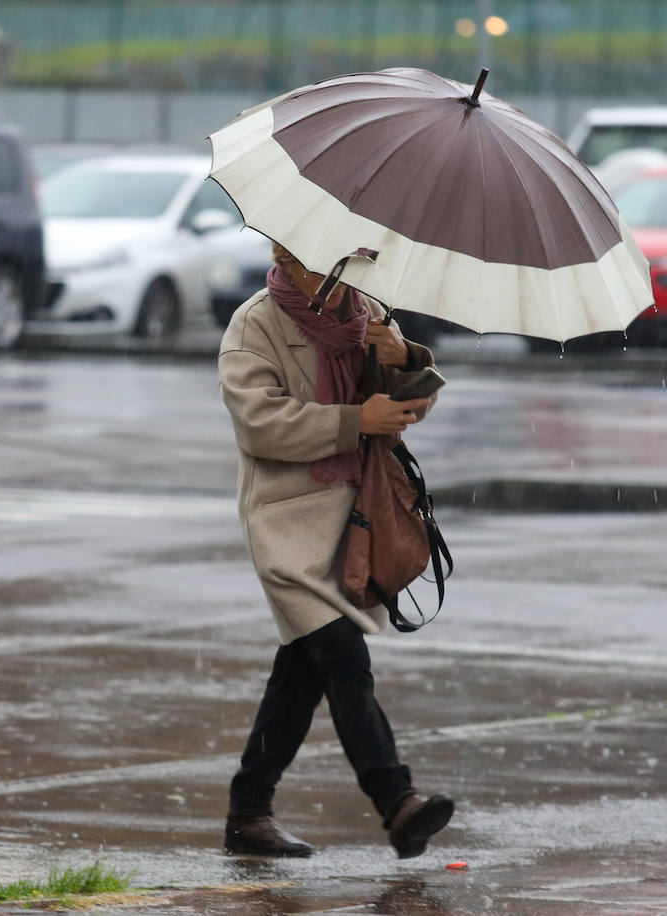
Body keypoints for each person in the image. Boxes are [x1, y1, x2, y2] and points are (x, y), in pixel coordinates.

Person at [216, 243, 454, 859]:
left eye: (336, 261)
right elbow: (259, 423)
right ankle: (396, 800)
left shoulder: (367, 311)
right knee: (343, 658)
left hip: (355, 517)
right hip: (287, 519)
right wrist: (354, 422)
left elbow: (412, 405)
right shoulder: (255, 323)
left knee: (302, 671)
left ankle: (248, 810)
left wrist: (405, 358)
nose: (326, 275)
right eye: (309, 261)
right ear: (281, 255)